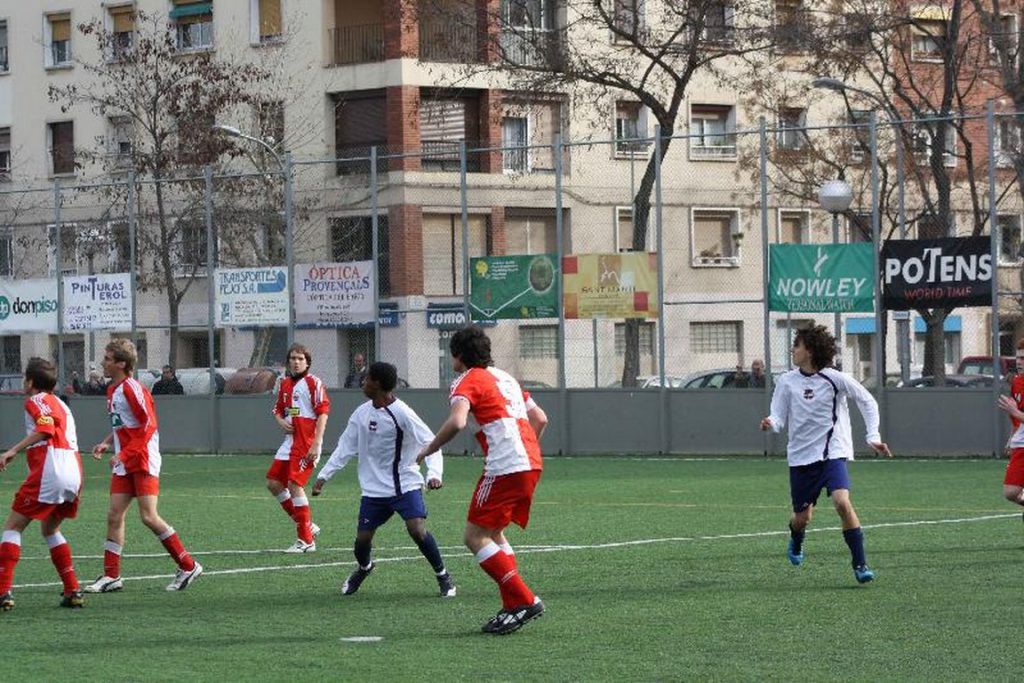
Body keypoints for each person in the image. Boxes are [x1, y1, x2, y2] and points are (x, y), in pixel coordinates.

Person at [416, 325, 548, 635]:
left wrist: (429, 449)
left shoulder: (466, 379)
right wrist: (526, 450)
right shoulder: (507, 379)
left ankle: (525, 600)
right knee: (495, 533)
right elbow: (541, 418)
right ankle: (512, 606)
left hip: (505, 465)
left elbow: (458, 420)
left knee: (475, 537)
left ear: (457, 356)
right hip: (531, 461)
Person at [760, 325, 891, 584]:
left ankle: (860, 563)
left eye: (796, 345)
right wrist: (770, 423)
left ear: (809, 350)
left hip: (833, 452)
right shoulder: (786, 381)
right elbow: (778, 417)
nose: (792, 350)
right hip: (800, 458)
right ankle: (796, 540)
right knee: (802, 518)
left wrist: (872, 436)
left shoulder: (835, 378)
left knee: (842, 502)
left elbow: (867, 401)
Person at [312, 362, 456, 598]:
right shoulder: (361, 413)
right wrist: (324, 476)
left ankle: (443, 576)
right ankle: (364, 568)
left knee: (417, 530)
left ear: (377, 384)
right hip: (374, 490)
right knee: (362, 540)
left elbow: (432, 443)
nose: (363, 382)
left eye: (367, 378)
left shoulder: (402, 413)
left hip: (405, 484)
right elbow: (345, 447)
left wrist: (433, 474)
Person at [84, 339, 203, 594]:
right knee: (114, 514)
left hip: (142, 458)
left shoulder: (132, 388)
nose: (103, 363)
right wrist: (107, 442)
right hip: (126, 459)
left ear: (121, 364)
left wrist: (124, 454)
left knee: (148, 516)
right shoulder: (112, 389)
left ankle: (188, 565)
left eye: (107, 358)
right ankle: (111, 576)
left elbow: (148, 426)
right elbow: (124, 424)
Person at [0, 358, 84, 611]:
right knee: (49, 529)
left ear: (31, 382)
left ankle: (3, 591)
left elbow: (45, 428)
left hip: (51, 468)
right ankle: (72, 590)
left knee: (13, 526)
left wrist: (11, 451)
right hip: (74, 471)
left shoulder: (36, 400)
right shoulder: (61, 404)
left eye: (25, 378)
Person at [268, 343, 330, 553]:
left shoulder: (314, 383)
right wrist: (280, 421)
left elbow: (323, 412)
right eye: (293, 358)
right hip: (290, 443)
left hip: (306, 443)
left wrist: (317, 442)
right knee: (274, 483)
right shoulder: (285, 384)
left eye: (300, 359)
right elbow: (277, 409)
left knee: (295, 485)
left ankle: (306, 541)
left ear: (307, 362)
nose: (296, 362)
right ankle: (307, 525)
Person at [996, 339, 1024, 517]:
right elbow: (1017, 417)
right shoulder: (1017, 382)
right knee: (1011, 492)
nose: (1019, 361)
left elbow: (1016, 412)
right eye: (1018, 357)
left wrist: (1014, 410)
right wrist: (1011, 437)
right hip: (1021, 443)